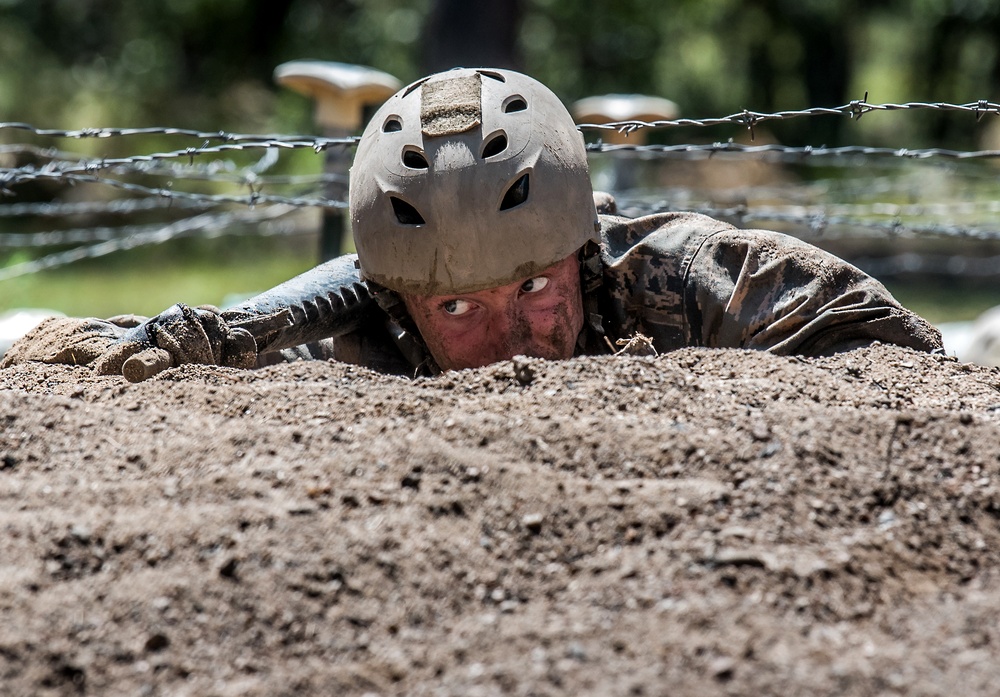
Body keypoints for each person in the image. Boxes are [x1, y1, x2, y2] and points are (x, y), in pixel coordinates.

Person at [1, 67, 942, 380]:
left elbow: (900, 364)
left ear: (584, 252)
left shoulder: (694, 275)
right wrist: (243, 327)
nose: (514, 346)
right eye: (459, 309)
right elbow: (138, 355)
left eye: (534, 288)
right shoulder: (371, 333)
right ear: (405, 307)